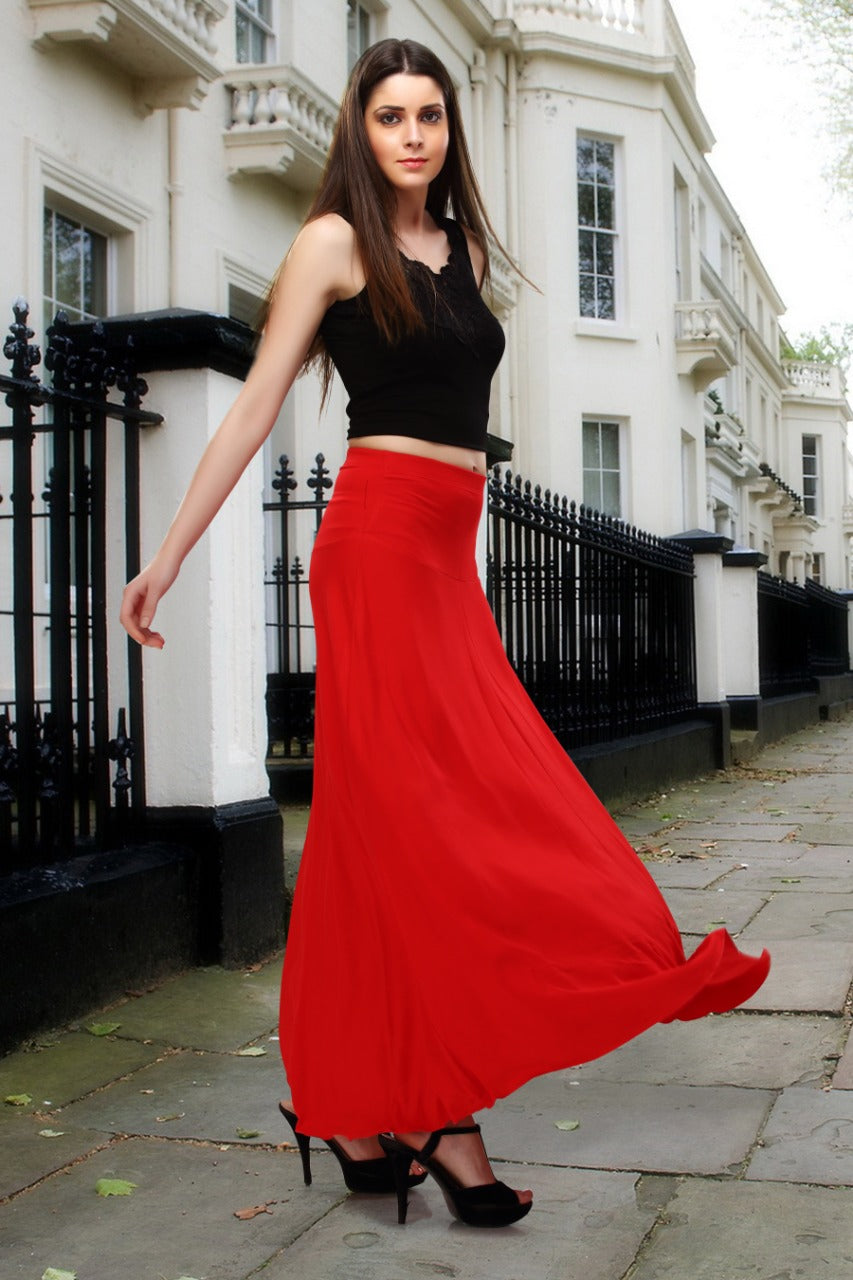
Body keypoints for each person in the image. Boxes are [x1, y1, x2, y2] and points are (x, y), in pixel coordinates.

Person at [120, 37, 770, 1231]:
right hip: (372, 549)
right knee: (413, 822)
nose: (412, 135)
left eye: (429, 115)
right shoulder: (331, 244)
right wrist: (165, 555)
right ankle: (443, 1118)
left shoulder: (466, 250)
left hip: (445, 555)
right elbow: (257, 399)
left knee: (444, 811)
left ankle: (366, 1109)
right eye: (389, 117)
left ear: (448, 130)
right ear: (359, 133)